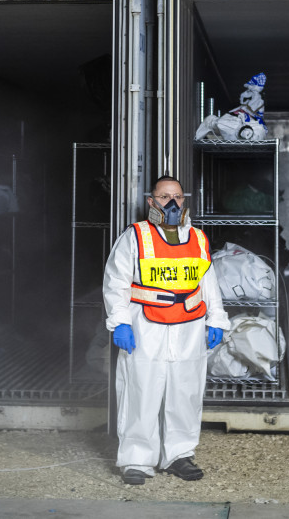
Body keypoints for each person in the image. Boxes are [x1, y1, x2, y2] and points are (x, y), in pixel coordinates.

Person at [103, 175, 230, 485]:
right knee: (140, 392)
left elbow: (209, 284)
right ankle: (136, 460)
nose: (171, 204)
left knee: (185, 393)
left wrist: (217, 319)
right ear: (151, 202)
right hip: (146, 327)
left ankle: (179, 455)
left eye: (177, 197)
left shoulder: (198, 239)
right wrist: (120, 322)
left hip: (189, 328)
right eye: (163, 197)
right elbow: (116, 282)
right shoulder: (135, 236)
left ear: (184, 201)